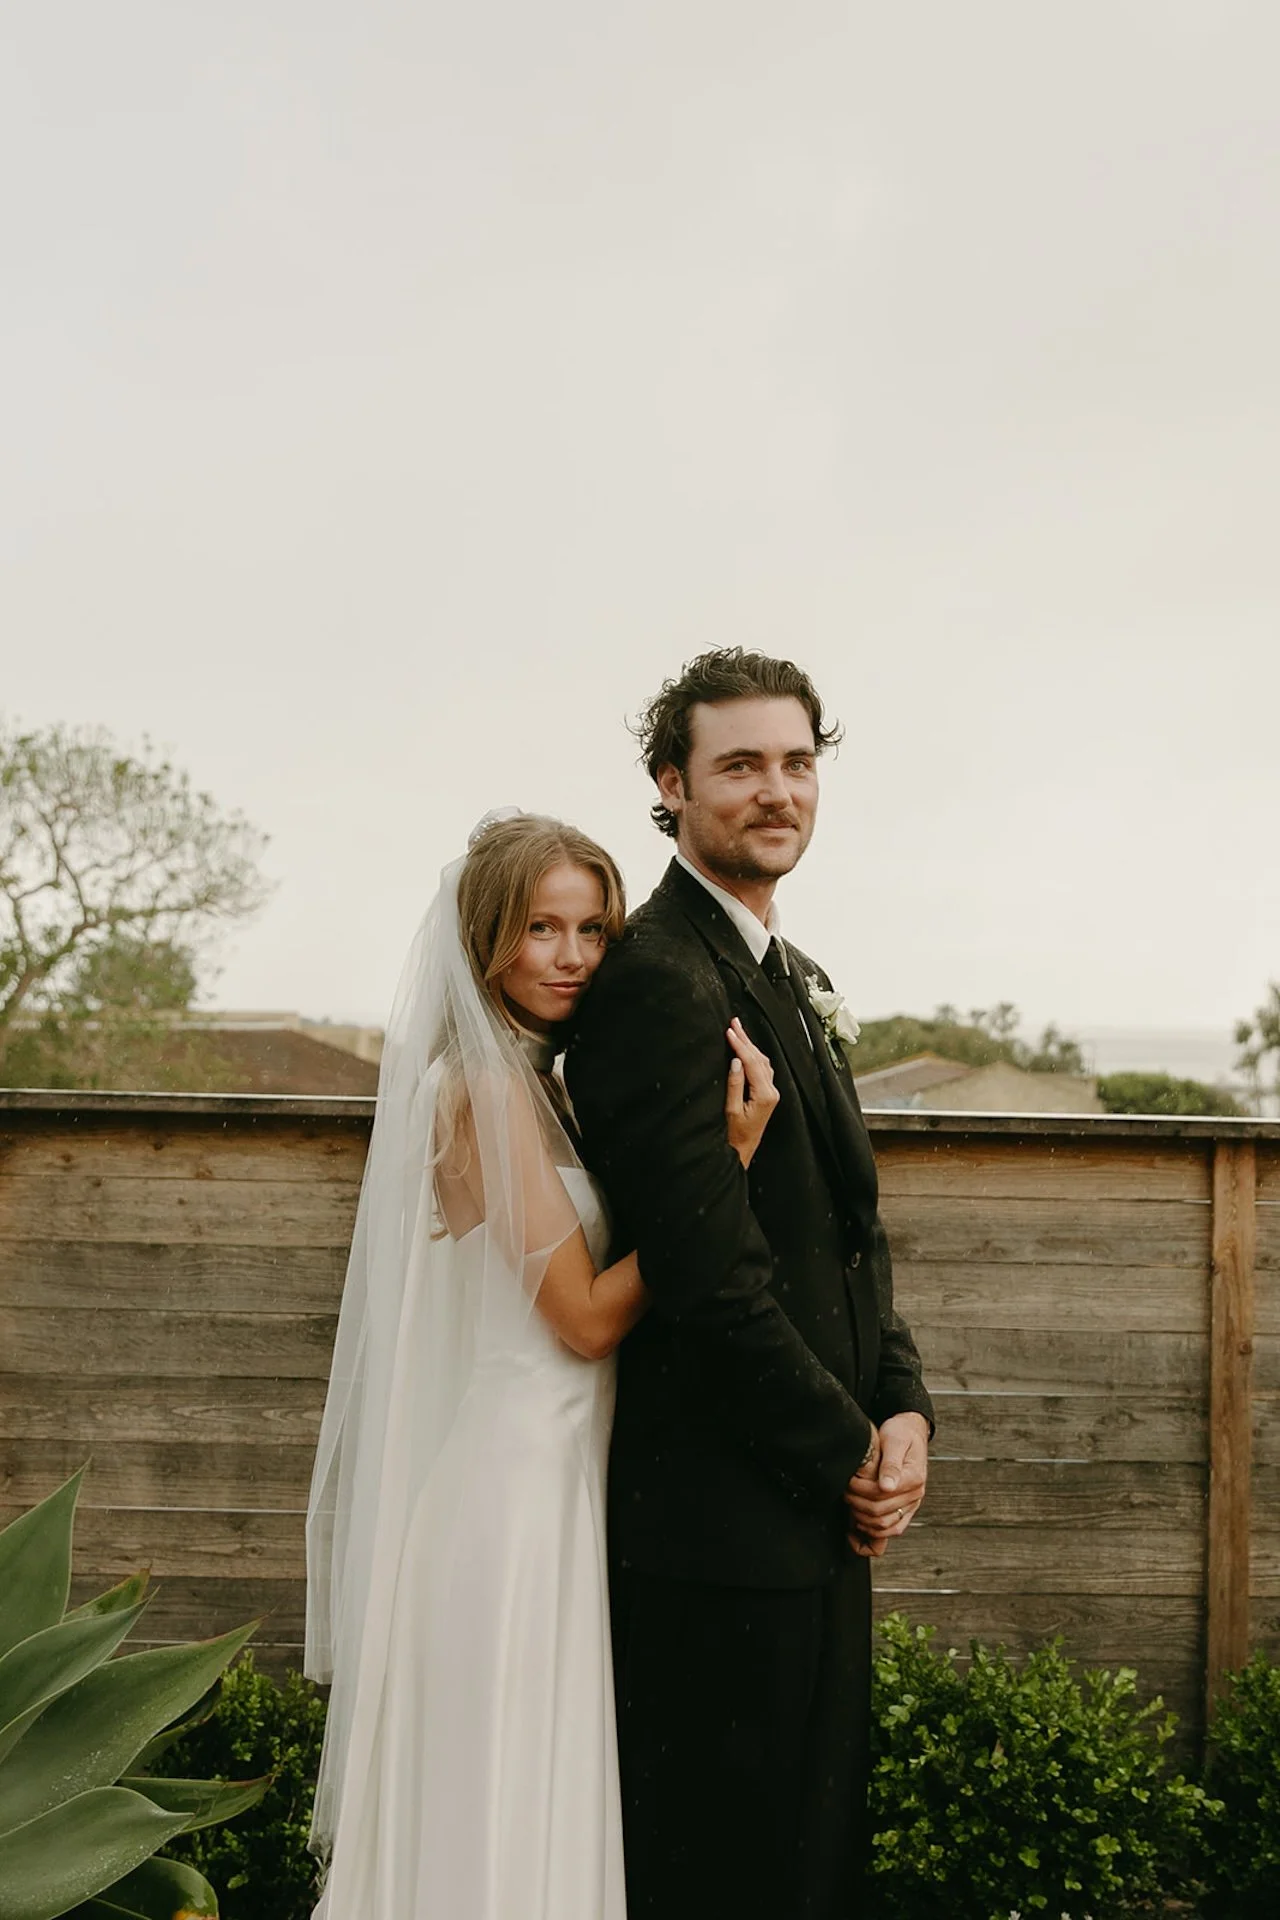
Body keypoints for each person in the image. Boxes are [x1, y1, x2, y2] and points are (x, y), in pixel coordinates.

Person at [304, 808, 778, 1920]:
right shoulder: (486, 1092)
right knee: (497, 1809)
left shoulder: (533, 1083)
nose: (571, 958)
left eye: (593, 930)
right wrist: (721, 1174)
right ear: (487, 943)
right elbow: (584, 1319)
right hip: (512, 1500)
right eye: (540, 931)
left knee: (523, 1801)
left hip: (551, 1477)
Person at [565, 649, 936, 1920]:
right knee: (723, 1874)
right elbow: (705, 1269)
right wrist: (845, 1451)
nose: (774, 790)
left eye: (795, 761)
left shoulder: (788, 973)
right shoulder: (656, 982)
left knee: (806, 1863)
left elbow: (848, 1232)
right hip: (715, 1529)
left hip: (820, 1511)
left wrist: (902, 1411)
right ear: (670, 787)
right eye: (737, 766)